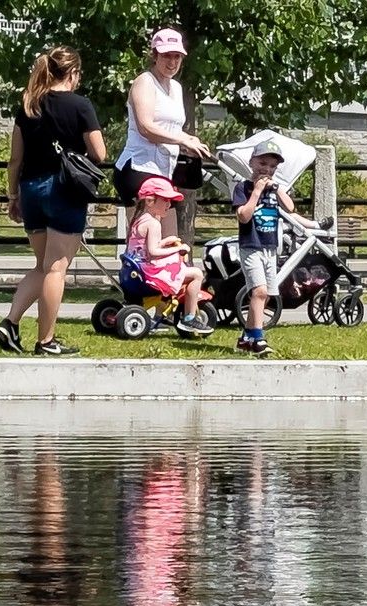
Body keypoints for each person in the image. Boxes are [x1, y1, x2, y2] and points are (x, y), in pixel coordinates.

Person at [0, 46, 106, 356]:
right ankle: (46, 341)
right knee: (57, 267)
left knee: (42, 267)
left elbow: (14, 160)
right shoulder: (81, 105)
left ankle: (10, 322)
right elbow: (99, 154)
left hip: (30, 189)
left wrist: (12, 196)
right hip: (64, 190)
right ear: (73, 73)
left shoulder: (29, 105)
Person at [113, 27, 211, 238]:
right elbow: (146, 127)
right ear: (154, 55)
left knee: (170, 246)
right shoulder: (144, 81)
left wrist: (190, 141)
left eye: (177, 57)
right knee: (145, 246)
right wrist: (183, 139)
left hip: (165, 170)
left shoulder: (176, 87)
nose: (172, 62)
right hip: (140, 166)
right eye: (167, 55)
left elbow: (172, 128)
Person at [232, 140, 294, 358]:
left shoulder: (275, 189)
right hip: (251, 247)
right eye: (262, 163)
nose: (266, 169)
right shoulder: (243, 188)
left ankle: (246, 337)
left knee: (266, 296)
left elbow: (290, 207)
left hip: (270, 248)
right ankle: (258, 338)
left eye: (272, 167)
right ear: (252, 162)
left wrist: (276, 189)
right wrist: (256, 192)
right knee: (258, 292)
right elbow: (243, 215)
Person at [127, 176, 213, 335]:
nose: (169, 204)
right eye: (165, 200)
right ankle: (189, 318)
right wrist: (177, 249)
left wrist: (167, 241)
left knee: (178, 266)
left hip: (138, 268)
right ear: (150, 201)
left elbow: (145, 247)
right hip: (149, 273)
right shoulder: (153, 223)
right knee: (196, 274)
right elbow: (153, 252)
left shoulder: (140, 219)